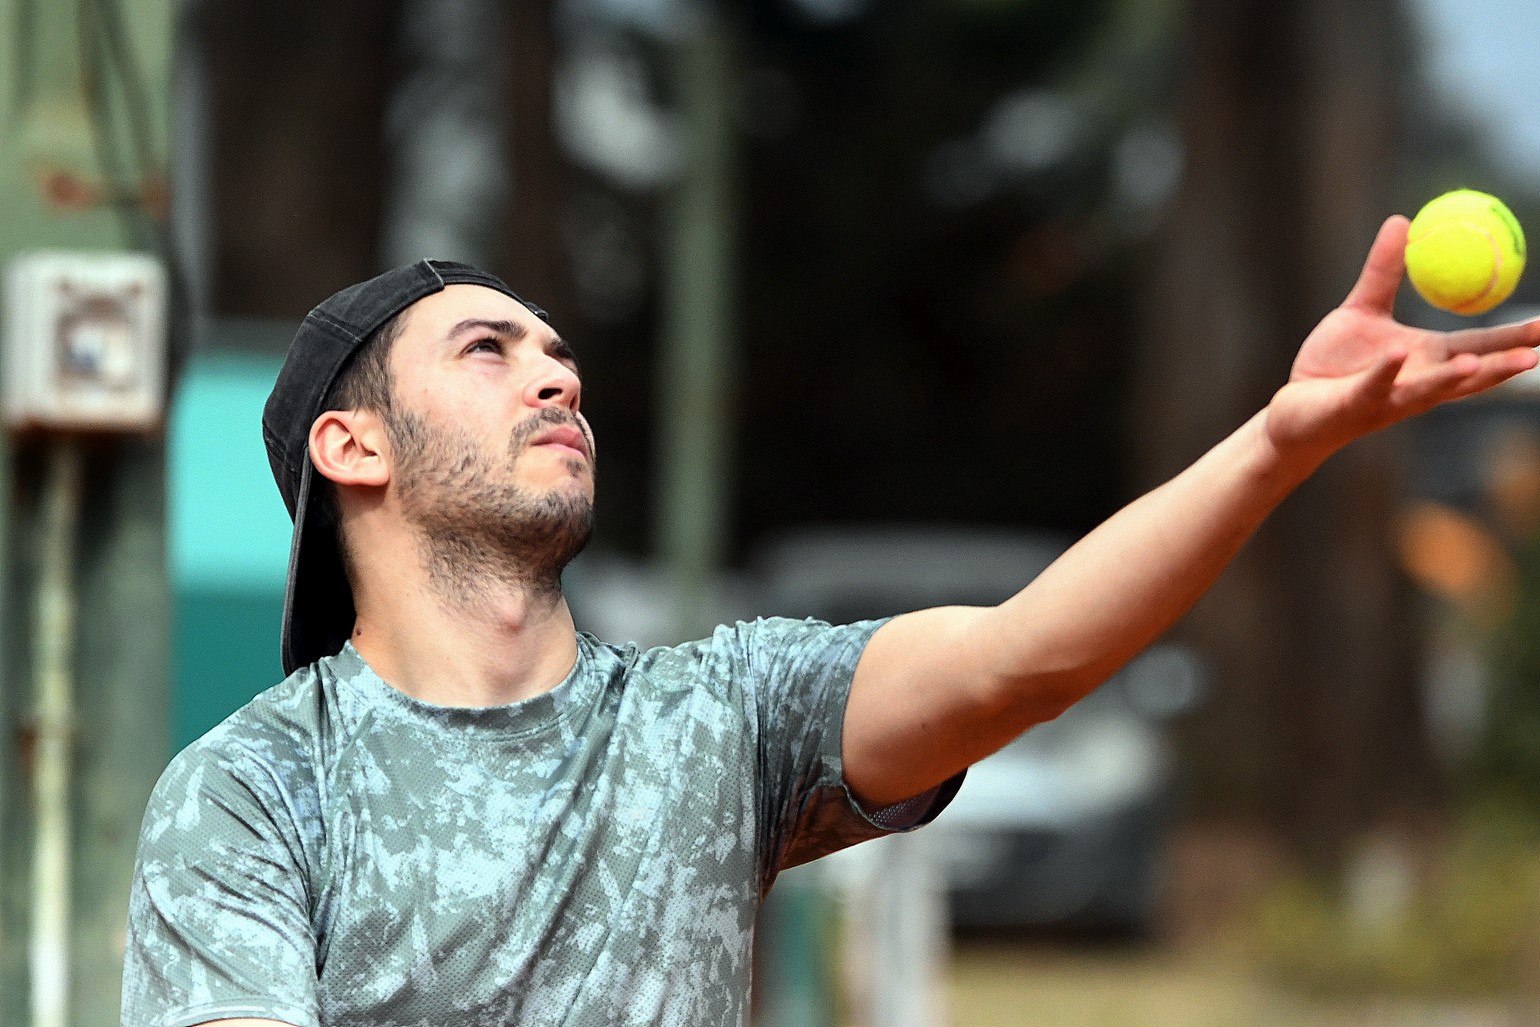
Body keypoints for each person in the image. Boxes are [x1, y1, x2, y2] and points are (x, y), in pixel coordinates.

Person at [121, 217, 1540, 1027]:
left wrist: (1283, 441)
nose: (557, 380)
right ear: (353, 447)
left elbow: (1025, 656)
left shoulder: (719, 716)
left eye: (558, 355)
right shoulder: (255, 792)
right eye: (488, 351)